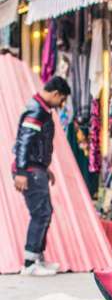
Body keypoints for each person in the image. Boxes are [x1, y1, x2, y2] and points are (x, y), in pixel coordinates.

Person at [12, 76, 70, 277]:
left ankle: (37, 258)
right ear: (55, 94)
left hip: (36, 169)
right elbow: (24, 142)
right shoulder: (37, 110)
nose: (61, 104)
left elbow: (35, 144)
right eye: (62, 99)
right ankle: (29, 264)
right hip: (30, 171)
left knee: (44, 212)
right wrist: (22, 171)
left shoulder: (40, 109)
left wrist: (45, 168)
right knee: (40, 213)